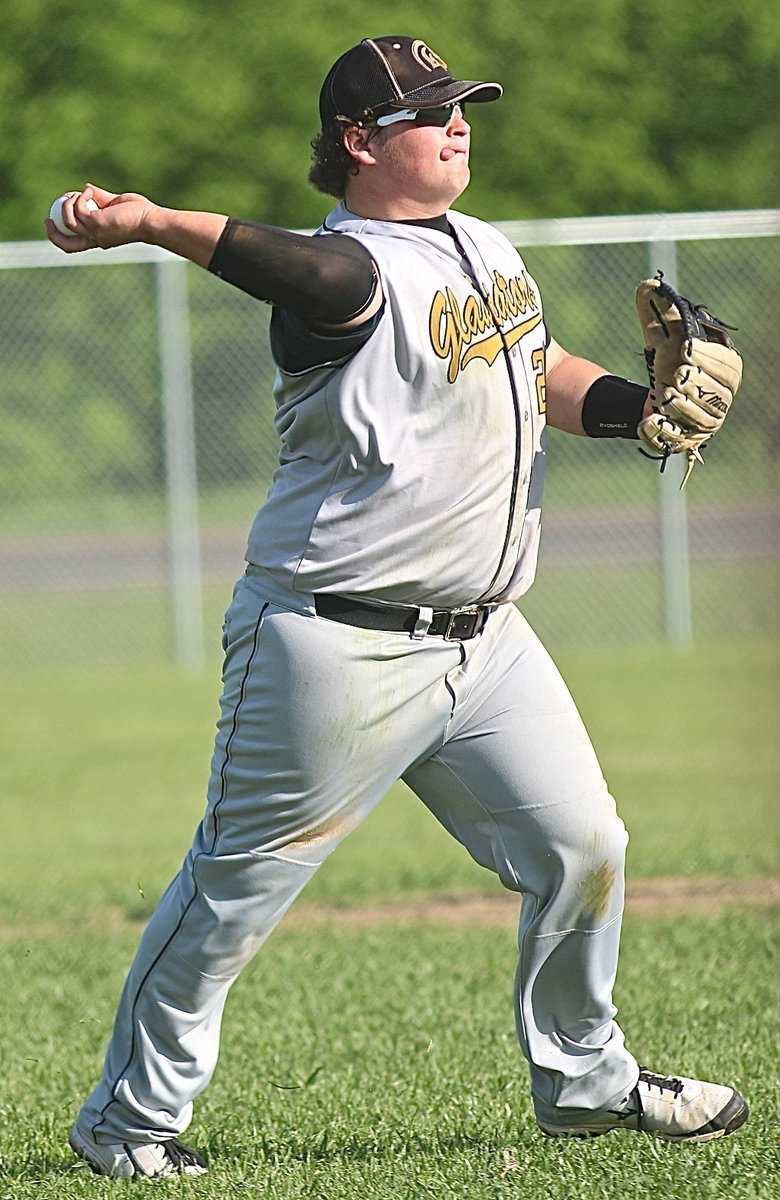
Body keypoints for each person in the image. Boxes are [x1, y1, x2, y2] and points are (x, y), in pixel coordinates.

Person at [46, 35, 747, 1181]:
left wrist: (636, 408)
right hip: (334, 643)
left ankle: (587, 1082)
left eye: (462, 105)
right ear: (361, 144)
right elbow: (294, 272)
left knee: (583, 847)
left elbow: (542, 366)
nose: (458, 124)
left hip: (490, 644)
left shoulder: (484, 246)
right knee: (232, 895)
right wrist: (154, 221)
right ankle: (127, 1125)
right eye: (429, 112)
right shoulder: (345, 268)